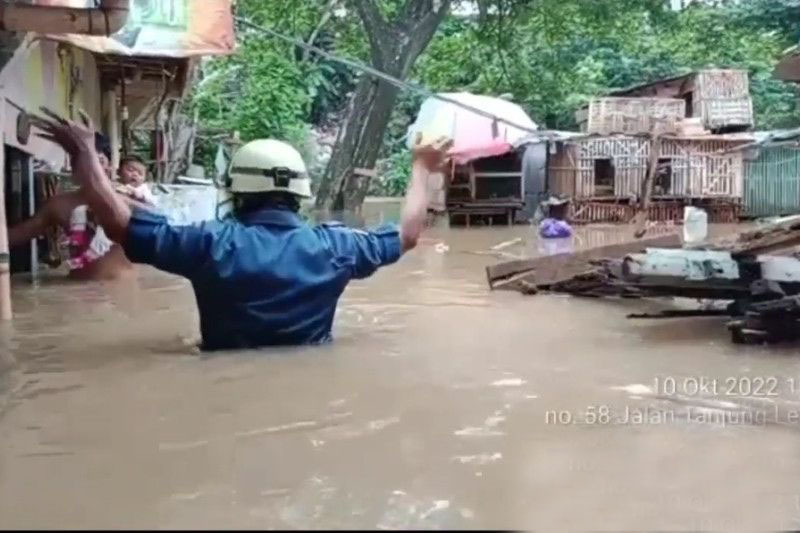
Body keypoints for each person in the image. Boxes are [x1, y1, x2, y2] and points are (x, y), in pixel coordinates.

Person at [35, 108, 452, 350]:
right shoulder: (336, 247)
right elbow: (408, 233)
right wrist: (421, 166)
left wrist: (85, 154)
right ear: (300, 193)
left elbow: (118, 223)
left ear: (236, 191)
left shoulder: (208, 243)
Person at [7, 133, 146, 281]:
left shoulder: (128, 202)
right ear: (72, 165)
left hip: (123, 291)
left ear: (110, 166)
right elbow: (18, 234)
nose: (88, 167)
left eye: (98, 161)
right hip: (76, 289)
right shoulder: (59, 205)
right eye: (81, 161)